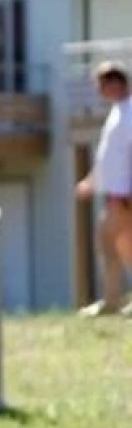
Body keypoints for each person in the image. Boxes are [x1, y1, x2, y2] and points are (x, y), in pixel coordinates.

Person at [76, 60, 132, 317]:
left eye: (101, 84)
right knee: (120, 246)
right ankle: (112, 300)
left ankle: (111, 301)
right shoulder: (119, 112)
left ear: (115, 83)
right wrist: (91, 181)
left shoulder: (128, 113)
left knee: (110, 243)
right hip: (117, 195)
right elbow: (109, 158)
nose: (99, 90)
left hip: (123, 197)